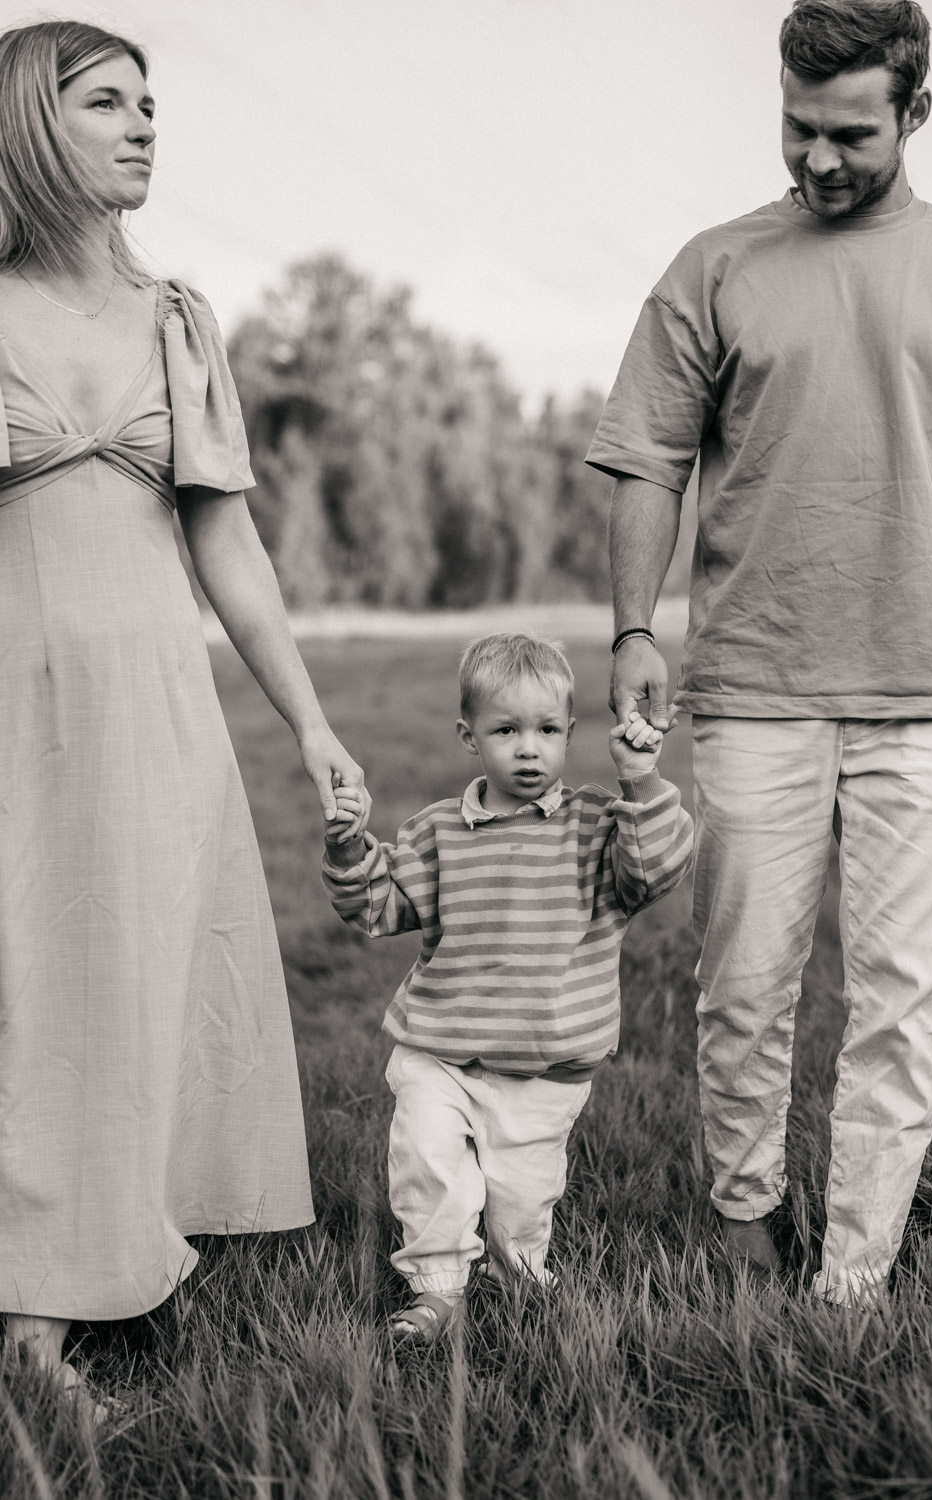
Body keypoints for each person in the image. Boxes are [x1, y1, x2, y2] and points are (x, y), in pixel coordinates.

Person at [587, 0, 932, 1306]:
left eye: (850, 133)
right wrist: (635, 628)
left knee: (899, 1001)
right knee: (746, 984)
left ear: (915, 114)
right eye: (797, 126)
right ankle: (745, 1222)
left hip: (930, 694)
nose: (817, 158)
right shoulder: (716, 268)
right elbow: (647, 461)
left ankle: (856, 1280)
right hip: (756, 686)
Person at [0, 20, 369, 1405]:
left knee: (140, 974)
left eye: (151, 103)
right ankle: (36, 1316)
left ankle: (111, 1247)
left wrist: (313, 726)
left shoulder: (176, 319)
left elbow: (231, 550)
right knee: (31, 981)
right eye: (107, 104)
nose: (146, 124)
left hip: (155, 701)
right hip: (15, 694)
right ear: (37, 126)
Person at [322, 634, 693, 1339]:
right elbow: (377, 907)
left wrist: (641, 783)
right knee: (429, 1164)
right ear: (469, 737)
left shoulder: (594, 827)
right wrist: (348, 848)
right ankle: (437, 1292)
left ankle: (516, 1278)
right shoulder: (437, 833)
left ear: (570, 734)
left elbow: (657, 871)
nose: (529, 749)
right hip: (441, 1050)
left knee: (522, 1206)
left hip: (545, 1067)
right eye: (507, 730)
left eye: (547, 730)